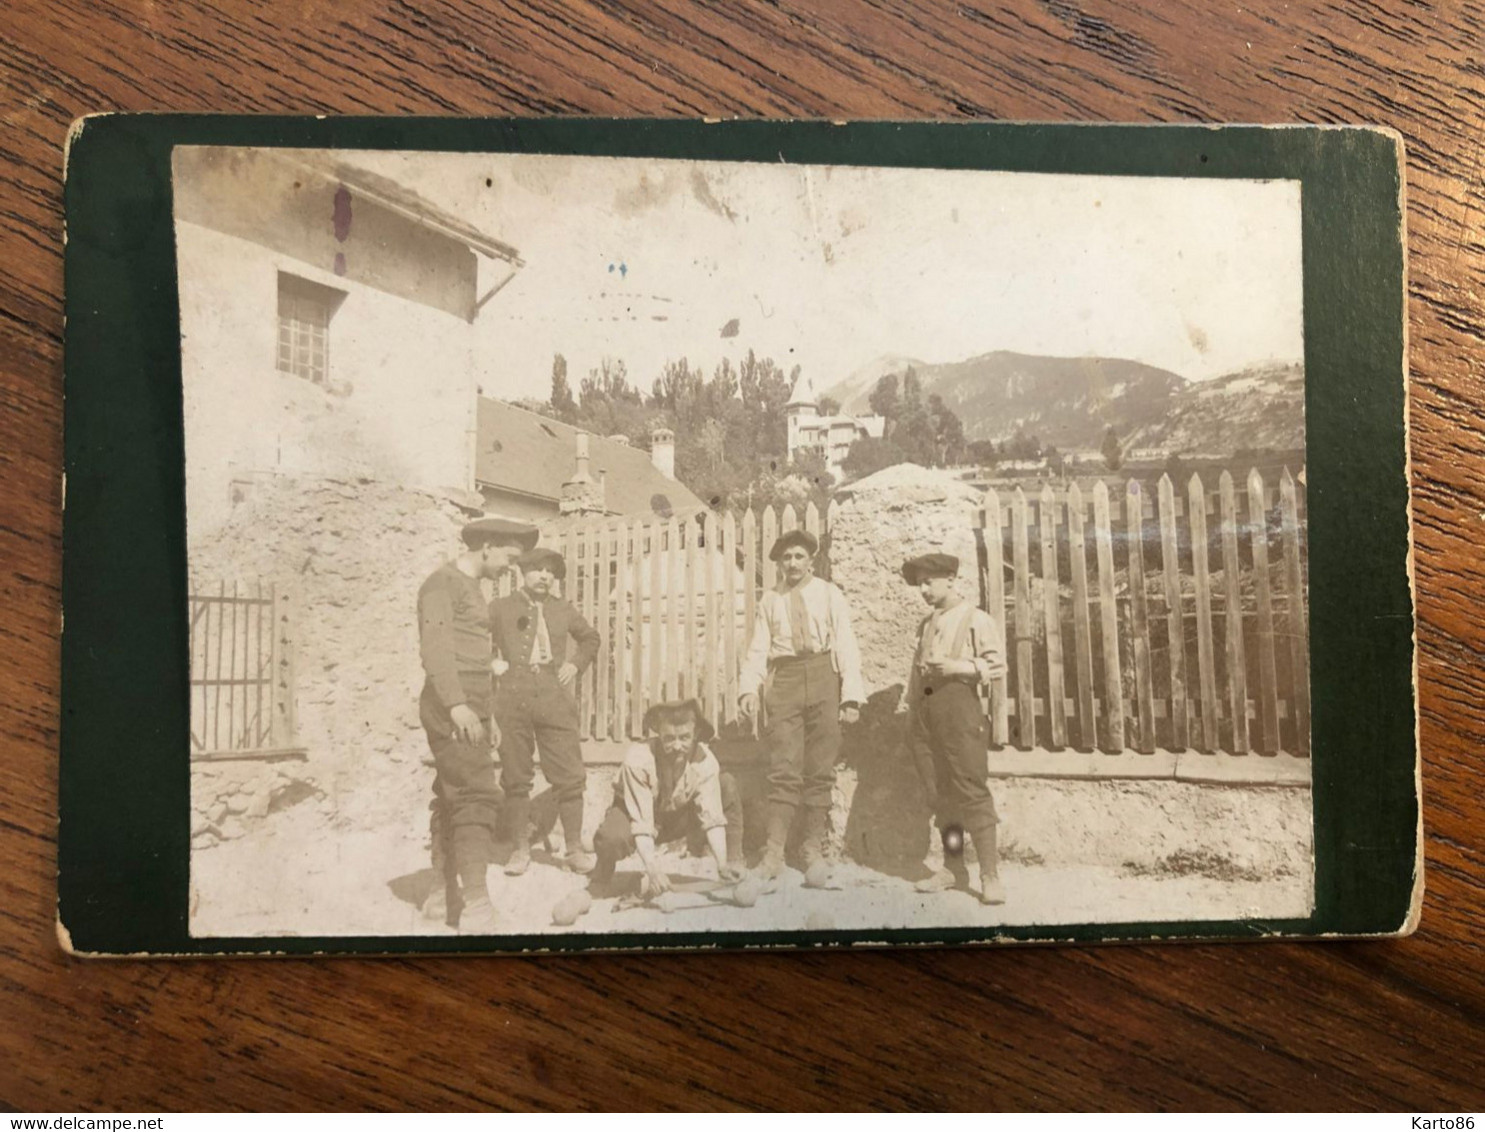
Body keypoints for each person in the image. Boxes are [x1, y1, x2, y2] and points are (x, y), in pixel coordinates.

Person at [417, 516, 539, 934]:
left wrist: (488, 715)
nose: (511, 567)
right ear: (486, 546)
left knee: (452, 794)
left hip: (473, 707)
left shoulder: (472, 589)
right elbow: (435, 651)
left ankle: (440, 893)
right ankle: (476, 906)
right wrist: (458, 707)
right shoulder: (441, 584)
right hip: (453, 706)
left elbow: (476, 657)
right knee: (476, 796)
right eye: (509, 557)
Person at [738, 529, 864, 884]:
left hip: (824, 675)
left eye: (798, 557)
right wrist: (748, 689)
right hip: (786, 681)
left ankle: (811, 849)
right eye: (786, 558)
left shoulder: (829, 594)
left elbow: (846, 642)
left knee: (820, 768)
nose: (792, 564)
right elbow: (759, 648)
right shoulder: (770, 600)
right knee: (783, 766)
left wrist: (850, 694)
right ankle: (774, 852)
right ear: (779, 563)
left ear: (811, 559)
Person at [900, 552, 1008, 905]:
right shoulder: (926, 623)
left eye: (928, 582)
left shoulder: (976, 619)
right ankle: (953, 867)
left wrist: (957, 667)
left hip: (961, 711)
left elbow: (997, 666)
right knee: (940, 794)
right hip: (927, 714)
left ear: (949, 578)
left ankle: (989, 874)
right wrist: (911, 707)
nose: (923, 590)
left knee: (971, 789)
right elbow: (917, 670)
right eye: (919, 584)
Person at [490, 546, 600, 876]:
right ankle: (520, 850)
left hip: (554, 697)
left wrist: (575, 665)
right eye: (538, 569)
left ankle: (574, 850)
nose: (545, 576)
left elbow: (591, 638)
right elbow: (472, 638)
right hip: (513, 697)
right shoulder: (500, 607)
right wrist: (489, 662)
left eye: (551, 571)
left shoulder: (562, 608)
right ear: (522, 572)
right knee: (516, 776)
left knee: (569, 774)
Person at [590, 698, 746, 895]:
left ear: (696, 734)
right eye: (669, 738)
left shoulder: (705, 761)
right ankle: (602, 870)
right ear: (659, 734)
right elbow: (642, 822)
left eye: (684, 737)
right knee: (612, 838)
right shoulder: (638, 759)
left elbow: (712, 817)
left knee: (727, 785)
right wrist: (652, 870)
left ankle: (732, 864)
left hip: (677, 817)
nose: (677, 746)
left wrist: (721, 863)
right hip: (636, 815)